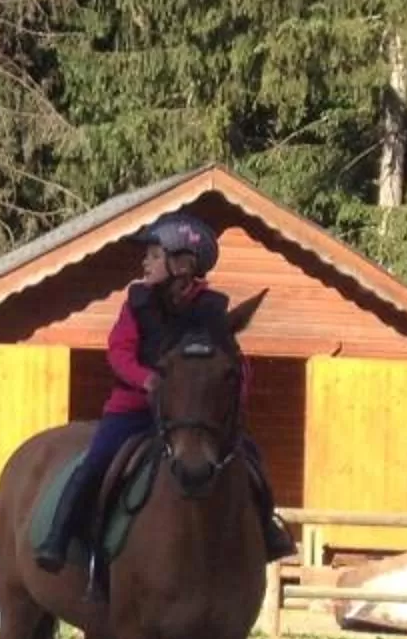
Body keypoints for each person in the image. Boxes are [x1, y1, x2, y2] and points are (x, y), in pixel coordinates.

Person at [37, 214, 288, 576]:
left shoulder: (212, 310)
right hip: (135, 409)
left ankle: (268, 531)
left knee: (252, 457)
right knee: (97, 460)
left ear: (183, 264)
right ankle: (57, 538)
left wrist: (233, 397)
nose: (145, 263)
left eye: (153, 256)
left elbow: (233, 363)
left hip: (194, 415)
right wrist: (146, 380)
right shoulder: (137, 302)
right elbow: (118, 351)